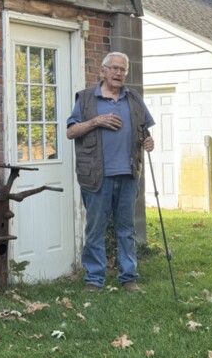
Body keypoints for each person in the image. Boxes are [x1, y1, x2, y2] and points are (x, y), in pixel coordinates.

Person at [66, 52, 155, 293]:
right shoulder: (86, 99)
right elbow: (71, 131)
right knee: (95, 229)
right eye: (113, 68)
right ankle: (94, 280)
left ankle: (129, 278)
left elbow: (145, 131)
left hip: (128, 174)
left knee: (126, 229)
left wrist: (149, 142)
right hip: (96, 176)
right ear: (103, 71)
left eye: (122, 70)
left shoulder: (133, 98)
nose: (118, 73)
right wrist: (96, 121)